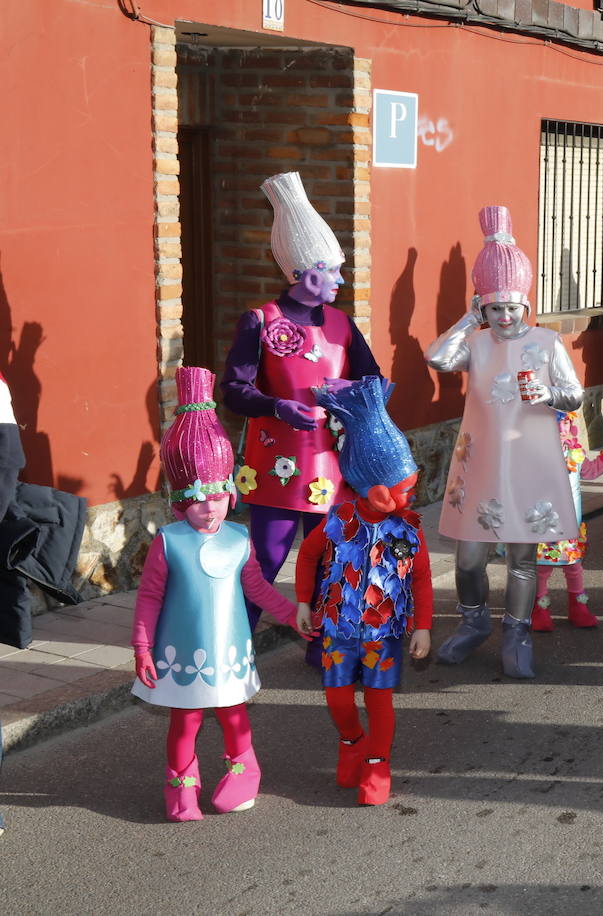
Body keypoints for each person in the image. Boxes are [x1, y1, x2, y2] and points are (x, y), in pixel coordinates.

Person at [132, 367, 308, 822]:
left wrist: (291, 615)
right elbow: (150, 597)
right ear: (177, 503)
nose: (208, 507)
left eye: (216, 495)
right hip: (182, 652)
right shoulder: (167, 542)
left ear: (231, 492)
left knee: (234, 716)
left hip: (227, 650)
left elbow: (254, 587)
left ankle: (243, 773)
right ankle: (181, 788)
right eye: (195, 498)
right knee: (184, 721)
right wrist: (142, 647)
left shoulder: (237, 537)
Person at [220, 172, 380, 664]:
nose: (340, 280)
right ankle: (234, 647)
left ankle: (324, 646)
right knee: (263, 560)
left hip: (330, 466)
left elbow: (374, 382)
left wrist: (347, 390)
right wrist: (275, 405)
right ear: (308, 274)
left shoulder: (342, 324)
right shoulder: (261, 320)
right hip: (274, 464)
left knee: (331, 559)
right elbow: (233, 390)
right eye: (334, 271)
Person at [426, 205, 584, 679]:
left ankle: (515, 632)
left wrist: (549, 393)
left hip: (529, 462)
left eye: (512, 308)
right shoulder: (475, 343)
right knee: (469, 556)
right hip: (481, 463)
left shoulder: (547, 342)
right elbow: (437, 360)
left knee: (521, 555)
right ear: (483, 307)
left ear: (526, 306)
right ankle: (473, 623)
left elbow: (574, 395)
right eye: (494, 308)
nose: (505, 317)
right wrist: (463, 321)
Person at [295, 375, 432, 807]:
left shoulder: (409, 528)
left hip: (384, 631)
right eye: (406, 487)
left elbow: (423, 579)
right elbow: (307, 556)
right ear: (378, 491)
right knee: (337, 698)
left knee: (380, 701)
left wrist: (423, 627)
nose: (414, 492)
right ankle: (352, 741)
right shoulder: (338, 519)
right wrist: (302, 600)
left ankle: (377, 762)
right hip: (338, 627)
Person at [531, 410, 603, 631]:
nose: (563, 429)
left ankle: (578, 608)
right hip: (544, 525)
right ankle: (539, 609)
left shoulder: (574, 451)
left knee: (574, 566)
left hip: (570, 525)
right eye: (559, 423)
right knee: (542, 569)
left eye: (567, 423)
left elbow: (590, 471)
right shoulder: (535, 454)